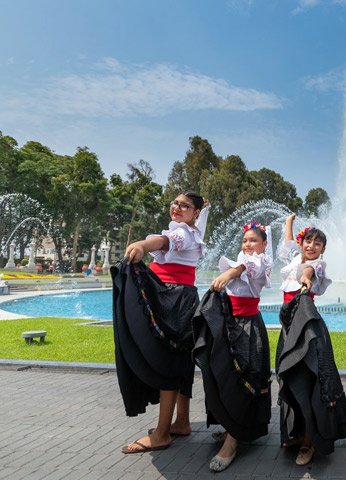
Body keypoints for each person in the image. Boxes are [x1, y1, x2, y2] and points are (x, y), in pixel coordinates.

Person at [113, 192, 208, 454]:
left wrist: (144, 246)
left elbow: (167, 241)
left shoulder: (184, 233)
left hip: (172, 296)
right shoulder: (194, 230)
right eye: (176, 203)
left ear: (194, 213)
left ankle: (162, 433)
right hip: (179, 295)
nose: (177, 207)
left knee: (167, 360)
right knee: (180, 361)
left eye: (185, 206)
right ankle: (182, 422)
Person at [192, 221, 273, 472]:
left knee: (243, 379)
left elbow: (247, 267)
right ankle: (231, 425)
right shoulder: (241, 260)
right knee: (224, 375)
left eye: (253, 240)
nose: (248, 244)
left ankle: (232, 441)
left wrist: (229, 273)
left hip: (247, 328)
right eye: (245, 240)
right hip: (229, 325)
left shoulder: (260, 262)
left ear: (264, 244)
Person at [274, 213, 346, 465]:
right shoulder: (292, 260)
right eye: (308, 241)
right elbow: (287, 247)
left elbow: (308, 271)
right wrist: (289, 224)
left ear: (323, 249)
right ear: (301, 243)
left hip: (306, 332)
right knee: (291, 381)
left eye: (317, 243)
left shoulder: (316, 267)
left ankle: (310, 441)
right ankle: (297, 432)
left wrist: (305, 279)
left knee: (308, 384)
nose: (311, 246)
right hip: (288, 330)